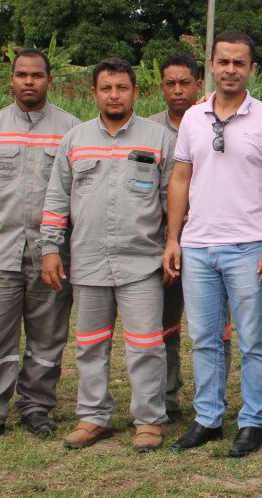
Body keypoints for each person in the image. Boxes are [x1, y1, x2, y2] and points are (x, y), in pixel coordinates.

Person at [163, 30, 262, 457]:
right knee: (205, 338)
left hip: (248, 247)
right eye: (223, 62)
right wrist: (174, 238)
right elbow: (181, 178)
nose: (231, 69)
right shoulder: (194, 119)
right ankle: (208, 419)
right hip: (198, 246)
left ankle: (252, 422)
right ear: (212, 66)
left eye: (240, 63)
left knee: (253, 340)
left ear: (252, 68)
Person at [40, 57, 174, 453]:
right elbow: (56, 198)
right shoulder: (75, 140)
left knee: (146, 344)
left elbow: (172, 200)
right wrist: (51, 248)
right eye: (106, 88)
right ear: (94, 92)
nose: (114, 95)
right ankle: (93, 416)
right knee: (90, 344)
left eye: (122, 87)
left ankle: (148, 420)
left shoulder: (159, 139)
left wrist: (172, 244)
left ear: (136, 91)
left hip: (142, 262)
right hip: (88, 260)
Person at [0, 49, 80, 447]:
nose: (29, 81)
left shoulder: (71, 130)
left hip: (52, 253)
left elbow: (76, 197)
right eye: (22, 75)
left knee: (48, 335)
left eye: (37, 75)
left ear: (49, 80)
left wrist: (59, 248)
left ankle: (36, 406)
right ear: (11, 80)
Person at [147, 51, 233, 417]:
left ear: (200, 83)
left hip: (212, 240)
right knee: (166, 326)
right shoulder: (147, 130)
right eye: (170, 83)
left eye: (186, 83)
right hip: (161, 243)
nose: (178, 90)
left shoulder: (216, 121)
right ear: (161, 87)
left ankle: (214, 398)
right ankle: (168, 397)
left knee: (216, 329)